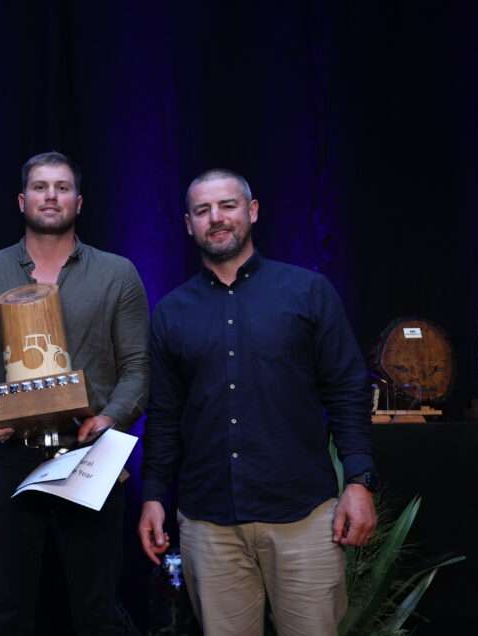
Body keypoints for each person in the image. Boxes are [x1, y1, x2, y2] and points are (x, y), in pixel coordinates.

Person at [138, 169, 377, 636]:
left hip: (303, 519)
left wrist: (359, 481)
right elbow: (164, 415)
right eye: (202, 210)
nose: (216, 218)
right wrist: (152, 495)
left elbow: (348, 391)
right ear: (188, 225)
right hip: (209, 526)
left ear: (252, 211)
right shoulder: (170, 312)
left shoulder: (307, 293)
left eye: (227, 205)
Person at [0, 151, 149, 635]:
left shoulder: (118, 274)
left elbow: (138, 370)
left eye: (61, 187)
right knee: (9, 615)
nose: (50, 195)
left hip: (90, 456)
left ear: (79, 200)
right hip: (12, 456)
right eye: (40, 187)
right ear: (21, 200)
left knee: (96, 612)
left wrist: (111, 418)